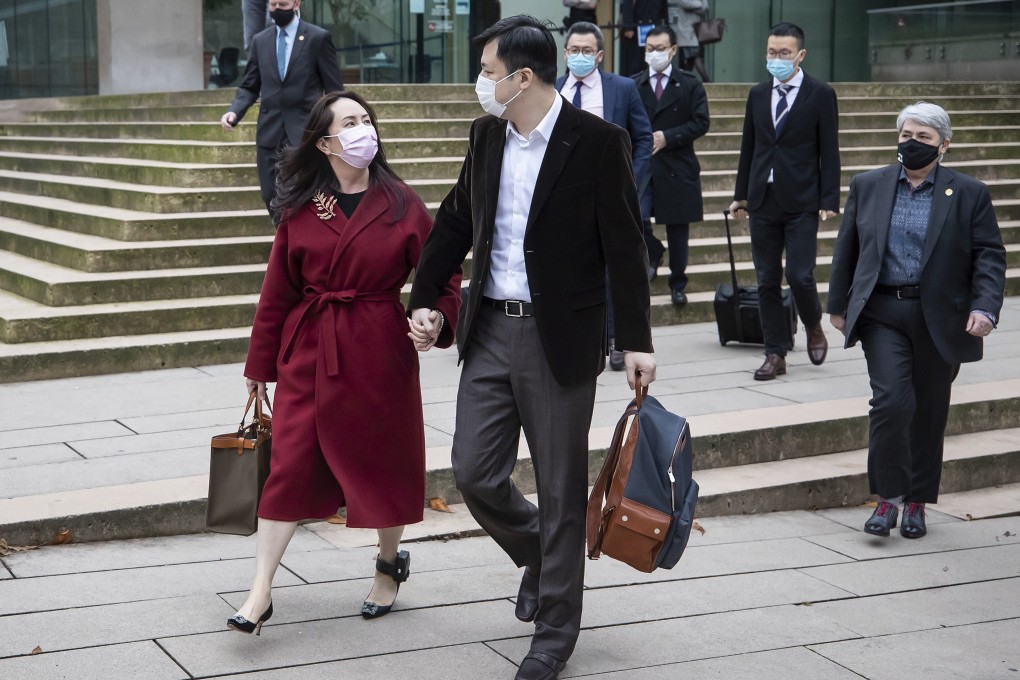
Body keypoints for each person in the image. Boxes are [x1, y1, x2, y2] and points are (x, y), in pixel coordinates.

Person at [407, 15, 656, 680]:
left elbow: (625, 246)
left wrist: (636, 340)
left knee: (560, 488)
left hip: (559, 339)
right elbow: (456, 218)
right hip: (488, 328)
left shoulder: (597, 142)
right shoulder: (487, 135)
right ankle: (543, 558)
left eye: (488, 71)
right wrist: (425, 298)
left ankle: (554, 634)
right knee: (474, 473)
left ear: (522, 77)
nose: (480, 82)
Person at [228, 91, 462, 635]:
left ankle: (388, 563)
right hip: (310, 350)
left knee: (385, 463)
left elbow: (442, 275)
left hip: (378, 350)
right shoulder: (302, 207)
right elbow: (277, 291)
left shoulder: (402, 202)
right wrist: (259, 365)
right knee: (288, 466)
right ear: (325, 143)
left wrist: (433, 317)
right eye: (349, 123)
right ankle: (260, 590)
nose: (363, 130)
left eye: (365, 120)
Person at [827, 102, 1005, 539]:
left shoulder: (969, 192)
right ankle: (887, 499)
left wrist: (984, 307)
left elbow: (988, 255)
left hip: (939, 317)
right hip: (882, 312)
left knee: (929, 410)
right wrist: (838, 303)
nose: (912, 143)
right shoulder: (869, 184)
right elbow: (848, 246)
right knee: (891, 403)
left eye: (923, 137)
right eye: (906, 135)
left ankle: (917, 502)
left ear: (944, 145)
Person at [728, 22, 840, 381]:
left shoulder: (820, 94)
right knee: (766, 279)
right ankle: (775, 352)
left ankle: (813, 325)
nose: (776, 58)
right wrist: (741, 195)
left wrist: (829, 198)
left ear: (800, 55)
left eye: (784, 53)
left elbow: (829, 150)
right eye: (771, 52)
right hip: (763, 199)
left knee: (799, 274)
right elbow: (749, 147)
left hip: (802, 199)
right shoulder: (758, 94)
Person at [555, 21, 653, 370]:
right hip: (562, 196)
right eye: (574, 50)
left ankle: (617, 339)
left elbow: (643, 137)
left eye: (586, 50)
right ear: (565, 53)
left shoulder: (622, 88)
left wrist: (630, 181)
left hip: (607, 194)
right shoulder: (553, 89)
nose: (579, 56)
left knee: (614, 267)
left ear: (599, 55)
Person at [220, 0, 344, 213]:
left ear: (296, 3)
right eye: (273, 4)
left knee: (301, 193)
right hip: (269, 131)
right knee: (270, 194)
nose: (277, 9)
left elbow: (334, 89)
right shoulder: (260, 41)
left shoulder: (317, 38)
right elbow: (250, 86)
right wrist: (234, 111)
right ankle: (284, 232)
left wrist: (340, 124)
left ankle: (295, 234)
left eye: (283, 4)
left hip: (304, 130)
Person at [632, 25, 709, 307]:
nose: (654, 53)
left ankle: (678, 283)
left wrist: (668, 136)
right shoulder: (634, 84)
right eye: (650, 48)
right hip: (644, 166)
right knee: (636, 217)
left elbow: (701, 122)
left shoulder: (689, 84)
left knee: (678, 230)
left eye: (660, 48)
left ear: (673, 50)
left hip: (678, 164)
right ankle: (653, 253)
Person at [619, 0, 668, 76]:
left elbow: (664, 7)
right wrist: (628, 27)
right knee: (637, 62)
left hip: (655, 25)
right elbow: (628, 5)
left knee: (655, 58)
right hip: (637, 28)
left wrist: (666, 27)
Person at [667, 0, 710, 82]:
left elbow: (705, 6)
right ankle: (707, 81)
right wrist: (699, 5)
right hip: (687, 31)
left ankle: (682, 81)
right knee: (695, 57)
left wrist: (698, 7)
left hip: (698, 31)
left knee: (691, 60)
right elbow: (686, 3)